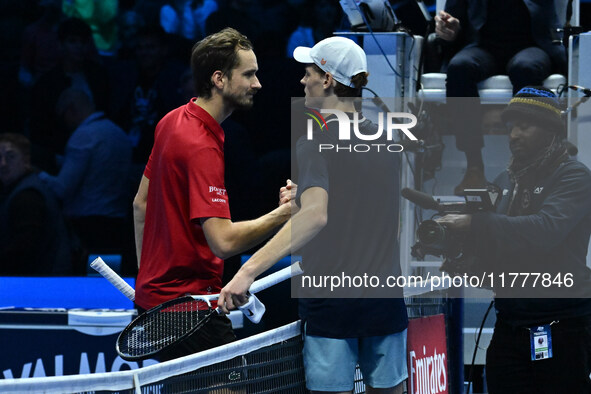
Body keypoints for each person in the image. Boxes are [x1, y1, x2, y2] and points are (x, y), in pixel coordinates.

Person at [219, 36, 408, 393]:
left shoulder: (315, 141)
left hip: (334, 306)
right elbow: (385, 221)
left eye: (308, 73)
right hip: (384, 300)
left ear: (328, 80)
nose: (302, 81)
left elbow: (316, 217)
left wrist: (247, 270)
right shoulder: (386, 139)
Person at [133, 28, 292, 360]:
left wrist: (147, 285)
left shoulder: (172, 120)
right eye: (248, 74)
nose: (257, 83)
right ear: (219, 79)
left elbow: (140, 205)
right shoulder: (201, 145)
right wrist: (285, 214)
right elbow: (224, 242)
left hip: (156, 304)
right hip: (191, 310)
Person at [436, 87, 591, 393]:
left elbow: (543, 231)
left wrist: (476, 223)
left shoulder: (574, 177)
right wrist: (463, 257)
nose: (513, 135)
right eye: (510, 128)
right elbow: (500, 242)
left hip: (560, 324)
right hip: (510, 323)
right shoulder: (509, 180)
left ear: (550, 130)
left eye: (524, 126)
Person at [434, 0, 566, 195]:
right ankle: (474, 167)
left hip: (531, 45)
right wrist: (449, 28)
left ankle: (527, 166)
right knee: (459, 68)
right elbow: (452, 24)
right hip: (482, 46)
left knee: (525, 69)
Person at [39, 88, 133, 273]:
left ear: (71, 110)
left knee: (87, 276)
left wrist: (36, 172)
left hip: (87, 223)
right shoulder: (118, 133)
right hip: (117, 219)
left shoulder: (83, 135)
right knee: (111, 276)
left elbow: (62, 188)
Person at [0, 133, 72, 276]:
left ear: (26, 160)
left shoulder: (28, 196)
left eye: (11, 156)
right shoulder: (20, 189)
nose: (3, 163)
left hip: (42, 282)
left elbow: (24, 250)